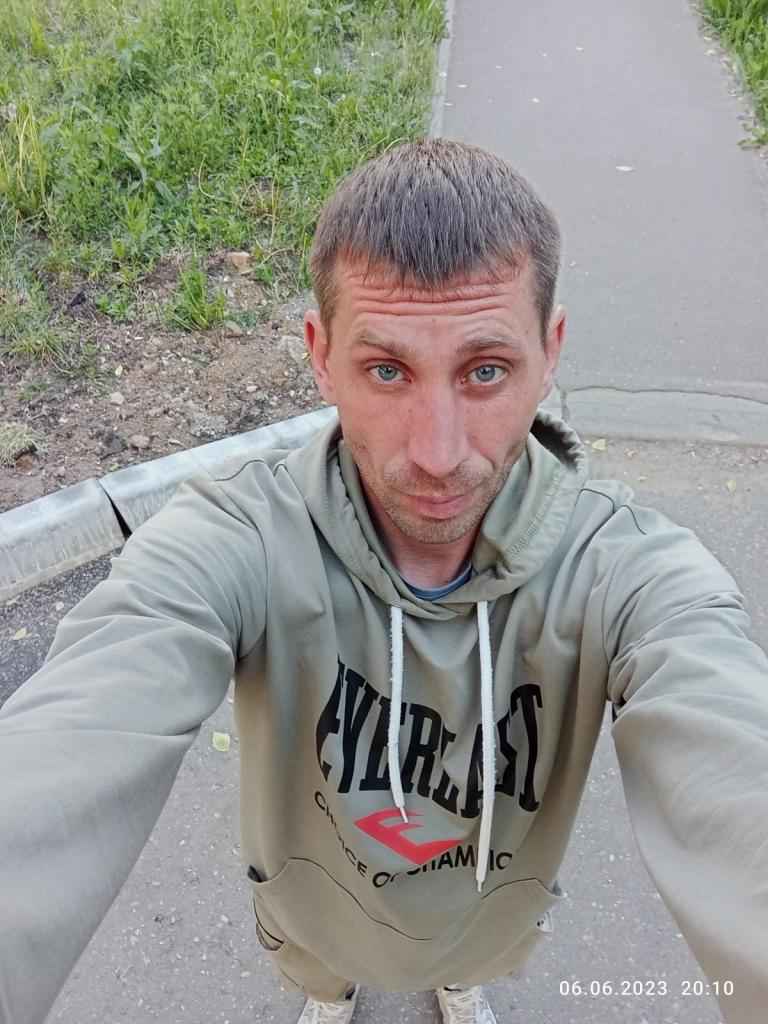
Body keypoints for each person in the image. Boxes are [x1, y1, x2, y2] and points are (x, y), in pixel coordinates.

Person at [1, 137, 767, 1024]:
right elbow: (81, 721)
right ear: (321, 355)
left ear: (550, 350)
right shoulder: (238, 538)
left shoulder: (623, 570)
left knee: (466, 954)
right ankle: (330, 999)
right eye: (387, 370)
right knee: (319, 973)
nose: (438, 453)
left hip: (485, 918)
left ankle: (457, 981)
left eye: (486, 371)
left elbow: (726, 733)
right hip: (313, 918)